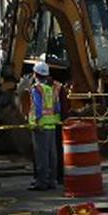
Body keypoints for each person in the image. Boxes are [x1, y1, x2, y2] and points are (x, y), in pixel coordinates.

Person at [27, 62, 61, 191]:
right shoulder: (51, 89)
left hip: (41, 126)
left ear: (35, 74)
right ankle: (52, 181)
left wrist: (35, 122)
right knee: (52, 155)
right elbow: (57, 108)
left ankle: (41, 182)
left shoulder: (37, 89)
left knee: (42, 156)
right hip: (51, 125)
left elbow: (37, 108)